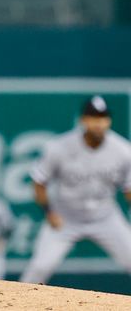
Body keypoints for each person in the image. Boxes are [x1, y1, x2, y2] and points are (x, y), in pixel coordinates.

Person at [20, 96, 131, 284]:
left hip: (105, 217)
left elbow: (128, 188)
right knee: (39, 268)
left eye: (103, 118)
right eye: (93, 118)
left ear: (109, 121)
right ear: (83, 120)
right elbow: (39, 181)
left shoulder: (123, 150)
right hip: (66, 218)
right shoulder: (59, 147)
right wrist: (49, 212)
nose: (99, 123)